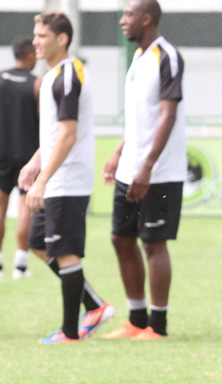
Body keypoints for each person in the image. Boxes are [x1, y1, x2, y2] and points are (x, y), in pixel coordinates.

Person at [18, 11, 113, 343]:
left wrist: (43, 179)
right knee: (37, 244)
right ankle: (96, 305)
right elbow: (55, 134)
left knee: (67, 252)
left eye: (42, 36)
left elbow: (69, 135)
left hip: (68, 179)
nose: (35, 41)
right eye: (35, 35)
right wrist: (35, 162)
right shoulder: (54, 75)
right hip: (54, 176)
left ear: (62, 39)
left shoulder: (69, 76)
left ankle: (70, 333)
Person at [101, 0, 186, 340]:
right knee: (121, 238)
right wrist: (119, 152)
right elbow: (142, 118)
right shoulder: (138, 57)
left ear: (147, 18)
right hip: (129, 168)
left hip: (159, 171)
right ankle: (136, 320)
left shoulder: (168, 57)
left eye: (128, 14)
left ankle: (158, 325)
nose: (123, 20)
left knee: (153, 243)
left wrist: (147, 166)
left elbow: (167, 114)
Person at [0, 37, 39, 279]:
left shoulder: (1, 78)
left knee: (1, 208)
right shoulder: (37, 84)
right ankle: (20, 267)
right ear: (30, 55)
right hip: (27, 155)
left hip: (1, 152)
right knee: (25, 210)